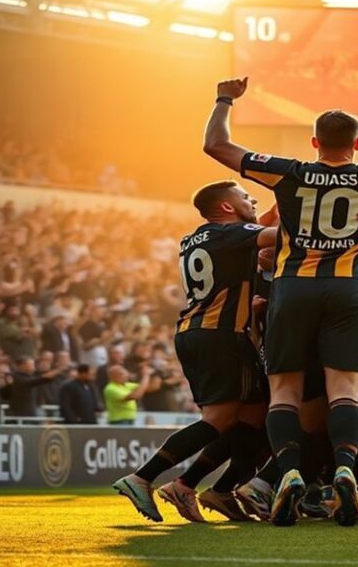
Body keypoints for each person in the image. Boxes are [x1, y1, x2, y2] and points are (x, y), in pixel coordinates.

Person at [204, 77, 358, 526]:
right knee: (344, 391)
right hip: (351, 290)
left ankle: (291, 473)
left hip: (293, 286)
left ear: (314, 141)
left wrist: (225, 99)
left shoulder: (288, 171)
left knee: (285, 391)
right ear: (357, 142)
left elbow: (217, 146)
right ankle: (343, 466)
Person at [112, 180, 276, 523]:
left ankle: (201, 487)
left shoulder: (199, 237)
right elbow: (279, 235)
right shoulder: (231, 234)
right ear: (228, 207)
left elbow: (261, 227)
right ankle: (143, 477)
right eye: (245, 197)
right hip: (221, 334)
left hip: (200, 331)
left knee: (254, 418)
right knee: (219, 419)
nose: (253, 200)